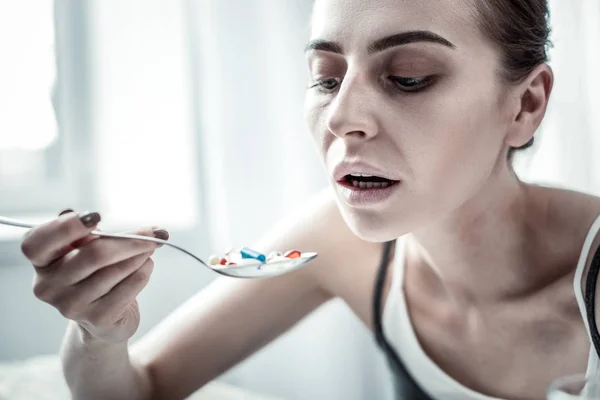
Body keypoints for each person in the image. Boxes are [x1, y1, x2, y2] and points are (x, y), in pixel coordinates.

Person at [19, 0, 600, 399]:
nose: (342, 117)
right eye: (326, 77)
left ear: (524, 105)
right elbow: (137, 389)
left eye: (409, 77)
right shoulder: (339, 244)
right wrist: (100, 331)